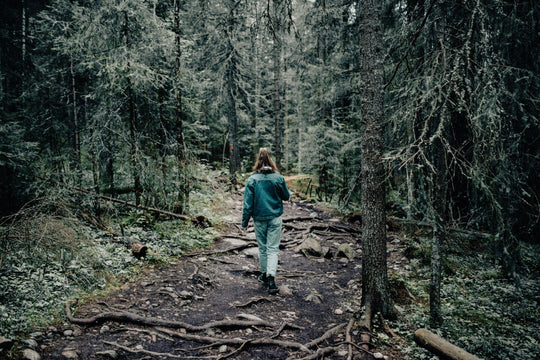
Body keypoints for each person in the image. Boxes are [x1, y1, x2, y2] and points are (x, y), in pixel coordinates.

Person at [241, 148, 291, 295]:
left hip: (259, 219)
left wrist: (244, 223)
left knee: (263, 248)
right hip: (275, 218)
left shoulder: (252, 180)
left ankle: (265, 275)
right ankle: (271, 279)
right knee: (273, 249)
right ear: (270, 159)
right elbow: (286, 196)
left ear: (258, 160)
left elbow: (247, 205)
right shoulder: (278, 178)